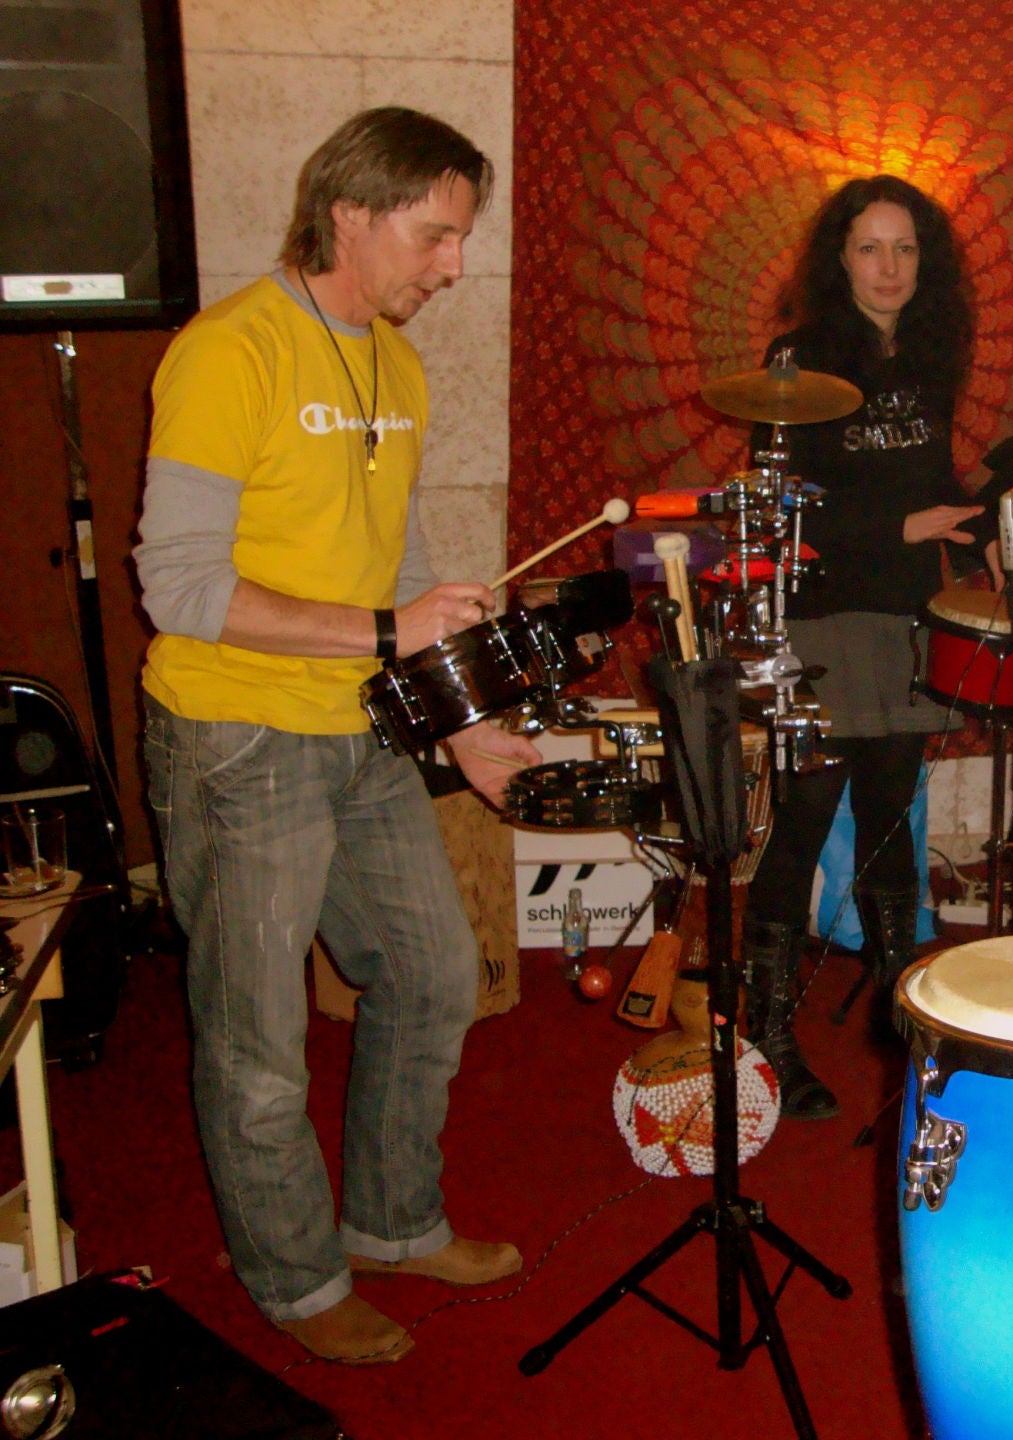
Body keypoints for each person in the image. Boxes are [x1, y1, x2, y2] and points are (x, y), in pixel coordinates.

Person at [135, 107, 542, 1366]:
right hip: (234, 738)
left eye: (462, 238)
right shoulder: (226, 354)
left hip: (361, 729)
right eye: (435, 236)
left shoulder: (395, 365)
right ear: (350, 215)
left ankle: (392, 1221)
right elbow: (179, 587)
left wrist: (460, 727)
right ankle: (296, 1279)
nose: (454, 266)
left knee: (432, 973)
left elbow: (398, 566)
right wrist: (384, 629)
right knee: (256, 1040)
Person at [737, 176, 1013, 1120]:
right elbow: (784, 508)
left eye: (906, 248)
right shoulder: (798, 359)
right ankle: (768, 1028)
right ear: (838, 258)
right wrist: (901, 525)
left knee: (889, 815)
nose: (890, 267)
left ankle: (896, 1011)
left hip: (910, 611)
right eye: (871, 248)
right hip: (824, 612)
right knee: (804, 819)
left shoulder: (927, 353)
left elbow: (931, 478)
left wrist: (986, 536)